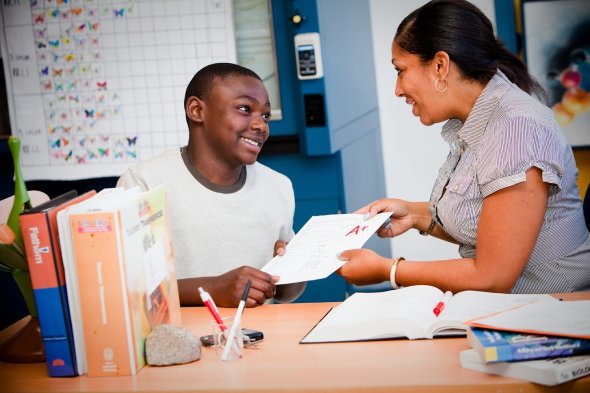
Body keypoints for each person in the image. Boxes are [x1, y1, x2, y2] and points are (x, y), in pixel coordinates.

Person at [336, 0, 590, 294]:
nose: (398, 89)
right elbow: (490, 223)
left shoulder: (516, 130)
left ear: (440, 66)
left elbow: (492, 277)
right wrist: (416, 215)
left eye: (401, 70)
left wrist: (388, 270)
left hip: (553, 311)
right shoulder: (481, 120)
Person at [118, 63, 305, 307]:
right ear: (197, 110)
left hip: (259, 338)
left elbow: (287, 293)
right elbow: (129, 289)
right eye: (245, 109)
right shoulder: (144, 183)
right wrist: (213, 289)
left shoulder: (279, 186)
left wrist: (292, 273)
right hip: (180, 340)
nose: (261, 125)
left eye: (265, 115)